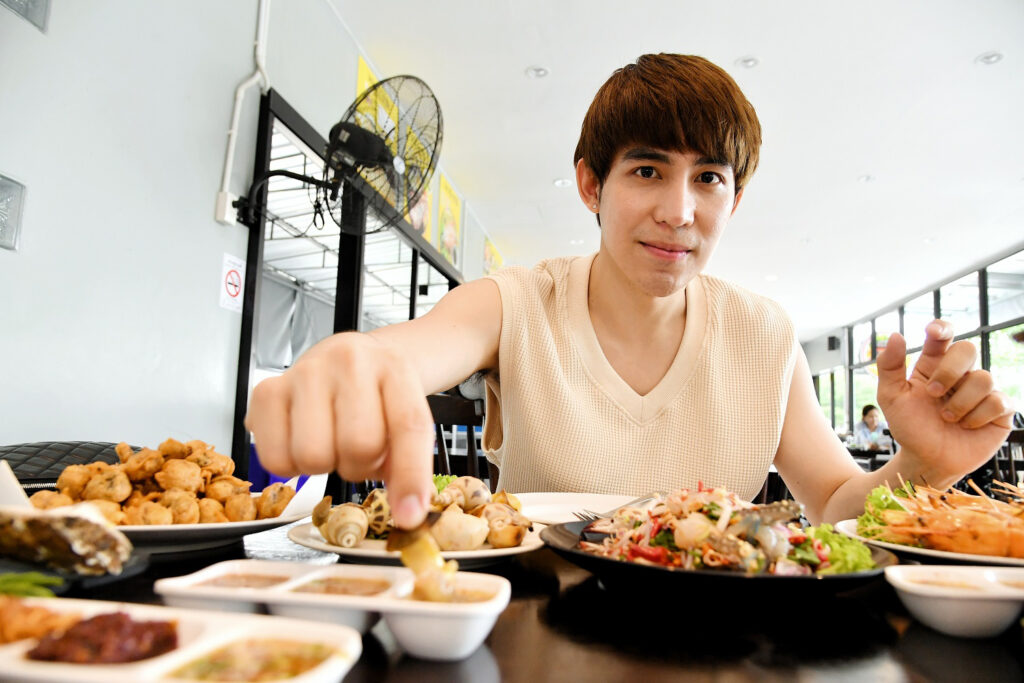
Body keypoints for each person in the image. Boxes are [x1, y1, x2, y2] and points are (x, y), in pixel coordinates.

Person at [245, 54, 1014, 529]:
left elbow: (837, 501)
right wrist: (352, 361)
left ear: (734, 198)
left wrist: (923, 463)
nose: (679, 211)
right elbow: (409, 350)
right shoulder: (518, 303)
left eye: (708, 178)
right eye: (648, 170)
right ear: (592, 184)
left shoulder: (765, 336)